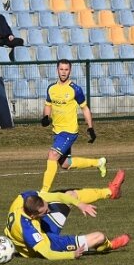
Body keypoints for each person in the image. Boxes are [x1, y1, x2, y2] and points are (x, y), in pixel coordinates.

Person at [3, 171, 129, 261]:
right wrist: (71, 255)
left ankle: (111, 192)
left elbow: (58, 196)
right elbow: (48, 253)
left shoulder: (23, 198)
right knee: (99, 237)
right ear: (33, 215)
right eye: (45, 212)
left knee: (70, 195)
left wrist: (80, 205)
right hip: (48, 243)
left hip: (40, 226)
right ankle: (108, 245)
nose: (49, 211)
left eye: (47, 207)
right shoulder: (28, 231)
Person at [40, 59, 107, 193]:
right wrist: (45, 118)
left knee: (52, 155)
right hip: (57, 132)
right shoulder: (51, 88)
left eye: (66, 69)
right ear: (57, 70)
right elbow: (48, 105)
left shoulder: (75, 89)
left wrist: (90, 128)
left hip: (69, 131)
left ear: (70, 71)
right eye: (61, 69)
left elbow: (85, 108)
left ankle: (43, 192)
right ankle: (99, 162)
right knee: (64, 164)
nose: (64, 72)